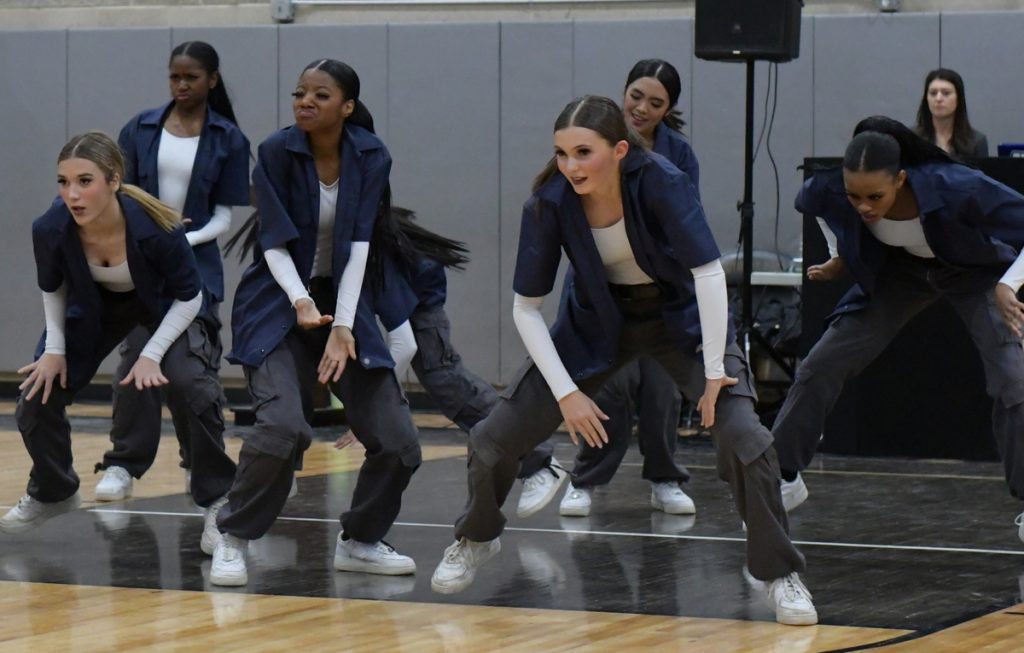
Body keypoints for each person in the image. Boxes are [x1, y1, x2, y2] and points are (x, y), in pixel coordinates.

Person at [429, 95, 816, 626]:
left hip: (681, 323)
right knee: (493, 438)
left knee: (746, 436)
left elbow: (707, 272)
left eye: (583, 152)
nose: (570, 166)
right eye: (561, 153)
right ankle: (475, 537)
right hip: (595, 326)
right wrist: (566, 393)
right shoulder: (548, 202)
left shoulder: (661, 181)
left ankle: (777, 573)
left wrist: (713, 371)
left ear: (618, 151)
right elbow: (526, 308)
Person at [208, 59, 421, 587]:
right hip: (275, 300)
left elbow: (359, 246)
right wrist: (301, 302)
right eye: (300, 92)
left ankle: (361, 540)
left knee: (398, 441)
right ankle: (232, 535)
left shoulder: (371, 154)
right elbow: (273, 242)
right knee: (283, 428)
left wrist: (343, 326)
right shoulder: (276, 151)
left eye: (320, 95)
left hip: (343, 301)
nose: (305, 101)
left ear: (347, 107)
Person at [772, 116, 1024, 545]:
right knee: (822, 361)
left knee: (1014, 380)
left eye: (875, 196)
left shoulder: (955, 186)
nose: (864, 207)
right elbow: (813, 202)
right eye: (854, 196)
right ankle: (783, 474)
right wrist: (839, 254)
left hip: (973, 272)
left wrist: (1009, 284)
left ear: (901, 179)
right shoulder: (832, 188)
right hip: (901, 273)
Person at [0, 131, 235, 545]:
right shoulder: (50, 227)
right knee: (38, 394)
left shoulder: (158, 228)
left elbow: (190, 297)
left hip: (166, 306)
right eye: (63, 182)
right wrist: (54, 350)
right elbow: (52, 287)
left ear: (113, 180)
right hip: (96, 306)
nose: (72, 194)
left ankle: (218, 499)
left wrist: (152, 353)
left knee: (189, 383)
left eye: (84, 181)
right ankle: (55, 491)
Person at [94, 40, 250, 513]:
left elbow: (223, 216)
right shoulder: (140, 128)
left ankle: (201, 465)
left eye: (191, 77)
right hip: (141, 269)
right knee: (136, 360)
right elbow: (120, 194)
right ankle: (124, 464)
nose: (181, 85)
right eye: (174, 77)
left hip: (194, 270)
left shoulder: (228, 138)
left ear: (212, 80)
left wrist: (182, 239)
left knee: (187, 374)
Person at [559, 59, 699, 519]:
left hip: (659, 293)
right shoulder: (597, 139)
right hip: (602, 289)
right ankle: (585, 479)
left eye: (655, 103)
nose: (641, 108)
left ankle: (664, 479)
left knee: (662, 390)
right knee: (607, 387)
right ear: (624, 92)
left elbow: (687, 224)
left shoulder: (678, 156)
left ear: (668, 109)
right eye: (636, 96)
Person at [364, 207, 568, 516]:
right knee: (453, 391)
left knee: (453, 387)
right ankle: (532, 465)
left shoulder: (374, 239)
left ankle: (540, 462)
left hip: (425, 319)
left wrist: (383, 396)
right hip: (425, 315)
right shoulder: (379, 237)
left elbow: (404, 345)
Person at [914, 68, 988, 159]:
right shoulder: (912, 138)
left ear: (958, 98)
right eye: (933, 93)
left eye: (946, 93)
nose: (938, 99)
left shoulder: (976, 141)